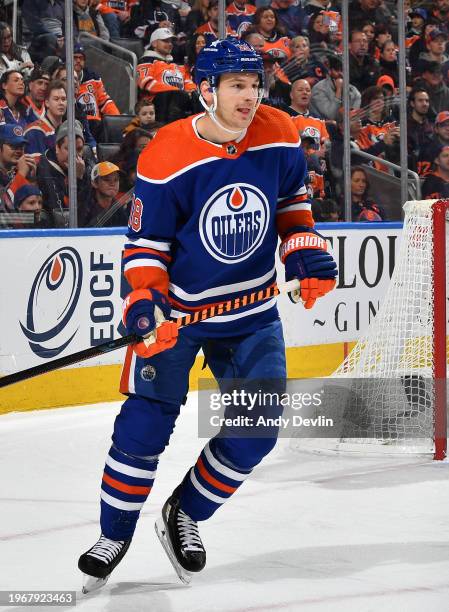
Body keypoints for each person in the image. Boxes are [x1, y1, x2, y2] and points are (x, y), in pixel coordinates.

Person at [77, 37, 337, 592]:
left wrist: (306, 253)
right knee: (144, 428)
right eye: (236, 86)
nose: (249, 97)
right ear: (206, 92)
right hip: (181, 314)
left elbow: (292, 204)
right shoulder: (167, 153)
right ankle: (113, 534)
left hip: (252, 313)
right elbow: (146, 244)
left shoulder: (281, 132)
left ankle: (185, 514)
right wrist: (145, 299)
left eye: (253, 85)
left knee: (257, 430)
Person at [36, 119, 91, 227]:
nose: (74, 156)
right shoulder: (45, 169)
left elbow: (87, 213)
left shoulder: (86, 165)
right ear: (57, 147)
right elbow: (63, 215)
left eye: (79, 149)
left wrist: (81, 177)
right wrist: (78, 180)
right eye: (69, 149)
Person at [24, 80, 67, 159]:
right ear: (47, 103)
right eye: (56, 99)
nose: (61, 103)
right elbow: (39, 167)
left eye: (63, 99)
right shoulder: (35, 131)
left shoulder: (68, 130)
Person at [85, 161, 128, 227]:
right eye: (106, 179)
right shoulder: (85, 209)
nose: (112, 183)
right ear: (94, 183)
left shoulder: (118, 208)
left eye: (116, 180)